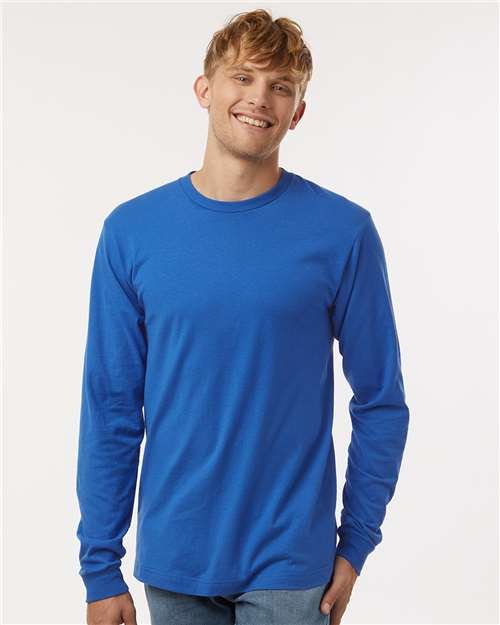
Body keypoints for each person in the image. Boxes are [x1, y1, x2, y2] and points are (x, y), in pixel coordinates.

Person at [76, 8, 410, 625]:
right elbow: (111, 406)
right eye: (243, 77)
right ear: (204, 88)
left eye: (281, 86)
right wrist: (100, 567)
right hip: (175, 558)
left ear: (297, 111)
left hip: (292, 560)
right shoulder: (132, 232)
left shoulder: (343, 232)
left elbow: (381, 400)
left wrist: (357, 542)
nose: (260, 97)